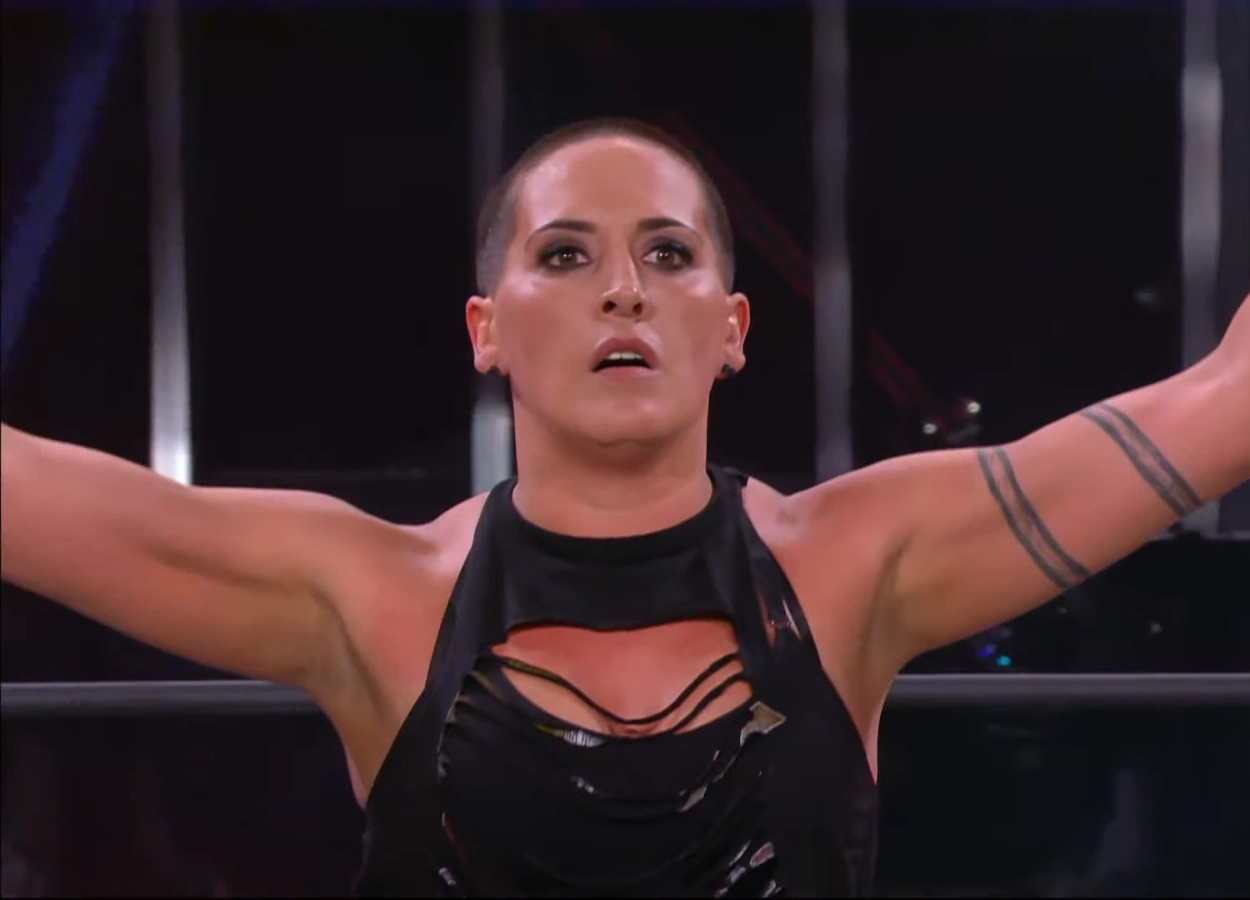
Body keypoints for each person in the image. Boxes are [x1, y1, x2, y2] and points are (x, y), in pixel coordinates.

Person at [1, 117, 1248, 897]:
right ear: (486, 330)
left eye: (667, 254)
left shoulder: (857, 561)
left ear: (730, 327)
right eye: (564, 255)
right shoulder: (365, 592)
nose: (621, 292)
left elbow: (1218, 407)